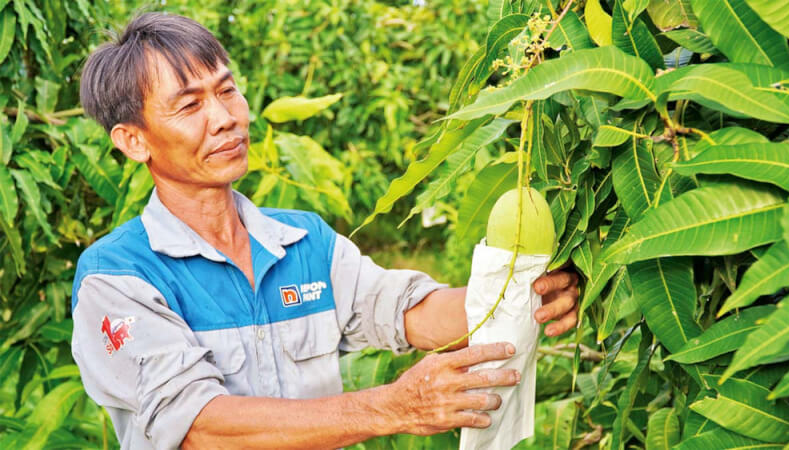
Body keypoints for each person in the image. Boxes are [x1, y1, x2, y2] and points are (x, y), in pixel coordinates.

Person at [71, 12, 580, 449]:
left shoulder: (302, 241)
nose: (225, 118)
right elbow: (201, 428)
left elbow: (408, 311)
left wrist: (524, 294)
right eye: (189, 105)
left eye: (227, 91)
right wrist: (393, 407)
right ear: (134, 141)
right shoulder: (116, 277)